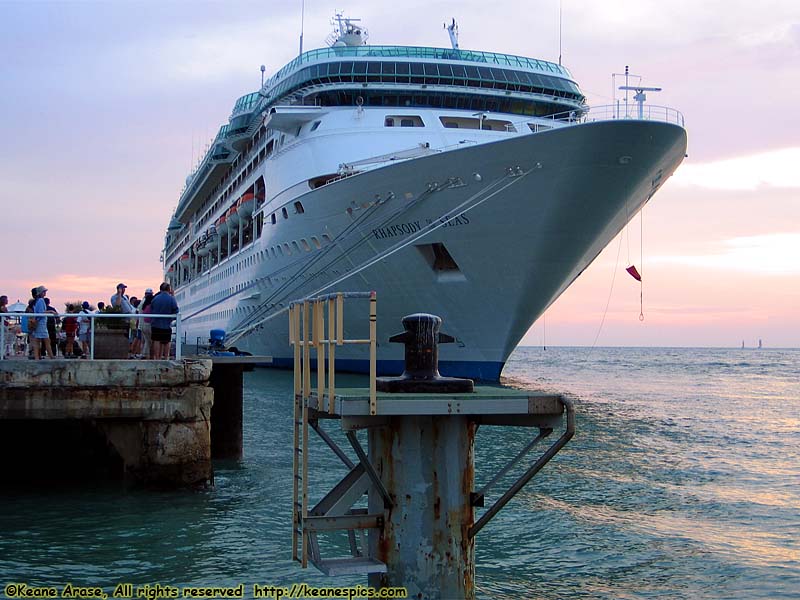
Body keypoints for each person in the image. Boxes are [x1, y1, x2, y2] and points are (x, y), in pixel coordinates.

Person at [149, 282, 179, 360]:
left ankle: (157, 358)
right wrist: (171, 318)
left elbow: (151, 309)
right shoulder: (171, 299)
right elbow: (176, 310)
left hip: (156, 323)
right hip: (166, 324)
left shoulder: (155, 298)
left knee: (156, 340)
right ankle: (166, 357)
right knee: (167, 341)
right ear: (169, 289)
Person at [31, 286, 54, 359]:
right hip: (41, 323)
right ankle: (51, 357)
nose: (45, 293)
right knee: (47, 341)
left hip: (39, 323)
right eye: (44, 292)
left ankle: (37, 357)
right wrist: (51, 311)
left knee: (37, 341)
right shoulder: (41, 301)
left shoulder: (37, 301)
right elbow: (41, 313)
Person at [139, 289, 154, 359]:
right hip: (147, 324)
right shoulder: (150, 305)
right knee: (148, 341)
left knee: (145, 340)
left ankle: (143, 353)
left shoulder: (142, 303)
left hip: (141, 324)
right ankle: (145, 354)